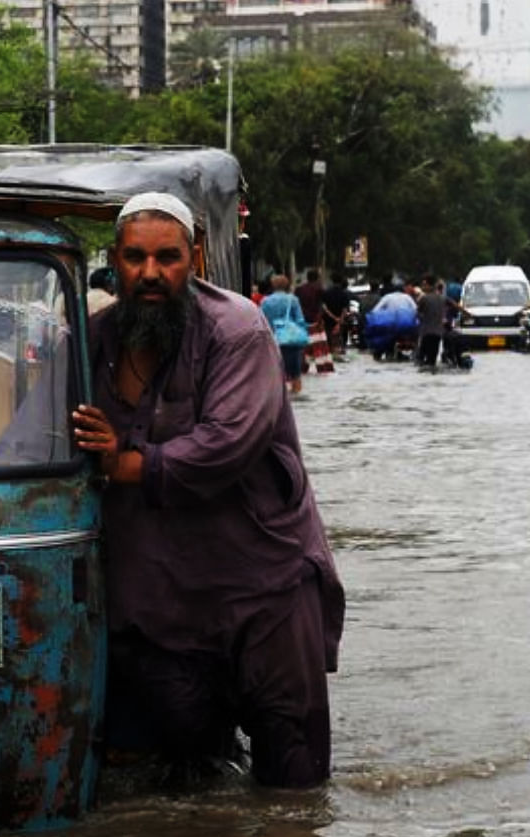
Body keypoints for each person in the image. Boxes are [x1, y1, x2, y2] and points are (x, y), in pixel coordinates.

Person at [68, 192, 344, 788]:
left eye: (166, 258)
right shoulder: (90, 341)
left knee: (293, 779)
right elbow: (39, 433)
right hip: (157, 600)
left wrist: (123, 464)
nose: (149, 274)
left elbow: (229, 443)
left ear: (193, 258)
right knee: (185, 781)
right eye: (135, 258)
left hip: (259, 586)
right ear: (113, 260)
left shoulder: (237, 330)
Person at [258, 272, 308, 395]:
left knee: (275, 373)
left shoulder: (265, 301)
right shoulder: (293, 300)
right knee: (295, 374)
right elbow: (300, 320)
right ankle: (296, 395)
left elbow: (261, 322)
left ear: (273, 285)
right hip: (292, 341)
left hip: (273, 341)